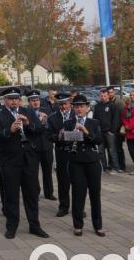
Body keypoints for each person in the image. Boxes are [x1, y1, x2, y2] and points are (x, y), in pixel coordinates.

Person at [0, 87, 49, 239]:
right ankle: (11, 226)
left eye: (16, 98)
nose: (14, 101)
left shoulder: (27, 111)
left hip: (29, 159)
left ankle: (34, 225)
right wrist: (9, 130)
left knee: (31, 194)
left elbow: (40, 131)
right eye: (11, 99)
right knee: (11, 195)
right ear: (5, 100)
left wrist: (28, 124)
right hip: (10, 160)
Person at [64, 94, 106, 237]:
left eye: (82, 106)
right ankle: (78, 225)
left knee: (95, 195)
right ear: (73, 108)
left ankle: (98, 225)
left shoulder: (94, 122)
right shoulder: (69, 123)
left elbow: (99, 140)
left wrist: (86, 132)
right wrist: (75, 133)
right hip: (76, 162)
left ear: (87, 108)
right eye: (76, 106)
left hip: (92, 162)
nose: (79, 109)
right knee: (78, 194)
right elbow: (65, 142)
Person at [47, 92, 75, 217]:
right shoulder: (52, 118)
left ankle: (78, 207)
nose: (63, 107)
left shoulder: (77, 115)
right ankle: (63, 206)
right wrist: (59, 136)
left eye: (65, 104)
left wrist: (67, 136)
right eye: (60, 104)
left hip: (76, 152)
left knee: (78, 181)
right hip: (61, 152)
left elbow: (83, 134)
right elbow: (49, 136)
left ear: (70, 103)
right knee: (63, 181)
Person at [27, 90, 56, 201]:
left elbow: (52, 126)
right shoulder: (26, 112)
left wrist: (47, 120)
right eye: (33, 100)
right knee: (34, 172)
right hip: (34, 146)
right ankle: (35, 192)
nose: (36, 102)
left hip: (47, 145)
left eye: (37, 100)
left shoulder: (47, 110)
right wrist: (38, 121)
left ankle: (49, 192)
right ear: (29, 102)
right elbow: (28, 129)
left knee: (47, 171)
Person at [92, 88, 122, 173]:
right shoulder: (97, 106)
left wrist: (112, 131)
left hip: (109, 132)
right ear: (99, 96)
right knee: (101, 151)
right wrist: (96, 130)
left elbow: (116, 119)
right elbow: (95, 119)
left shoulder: (113, 105)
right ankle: (103, 167)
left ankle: (115, 168)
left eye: (105, 96)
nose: (103, 97)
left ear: (108, 95)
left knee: (112, 151)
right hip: (100, 132)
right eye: (101, 96)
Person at [121, 90, 134, 164]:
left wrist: (130, 126)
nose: (132, 96)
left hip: (133, 130)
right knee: (131, 150)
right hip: (129, 133)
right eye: (131, 95)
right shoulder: (127, 106)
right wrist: (126, 124)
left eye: (133, 95)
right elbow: (123, 117)